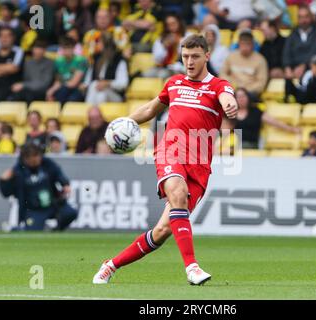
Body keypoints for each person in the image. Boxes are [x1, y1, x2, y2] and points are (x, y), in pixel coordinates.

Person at [92, 34, 239, 286]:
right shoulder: (174, 83)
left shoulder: (218, 86)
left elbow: (228, 97)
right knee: (178, 194)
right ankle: (192, 268)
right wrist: (124, 123)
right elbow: (151, 110)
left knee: (162, 231)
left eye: (194, 56)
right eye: (185, 57)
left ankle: (111, 265)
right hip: (171, 150)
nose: (189, 62)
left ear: (207, 55)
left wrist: (230, 105)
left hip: (200, 163)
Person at [0, 142, 78, 231]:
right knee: (32, 231)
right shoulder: (18, 171)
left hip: (53, 204)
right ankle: (15, 229)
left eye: (38, 155)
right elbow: (6, 193)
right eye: (34, 157)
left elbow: (58, 173)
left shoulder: (46, 163)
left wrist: (65, 184)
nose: (38, 159)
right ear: (26, 159)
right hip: (33, 210)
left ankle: (57, 231)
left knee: (70, 213)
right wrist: (3, 181)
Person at [234, 87, 301, 149]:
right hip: (235, 145)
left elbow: (274, 122)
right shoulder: (231, 113)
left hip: (252, 144)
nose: (241, 99)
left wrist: (291, 129)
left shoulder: (255, 111)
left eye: (243, 96)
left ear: (248, 97)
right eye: (238, 97)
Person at [220, 30, 268, 101]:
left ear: (252, 45)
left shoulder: (260, 59)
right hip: (232, 90)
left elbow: (261, 82)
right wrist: (232, 85)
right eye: (242, 44)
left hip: (250, 93)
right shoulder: (231, 56)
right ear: (238, 44)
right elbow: (222, 74)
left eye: (248, 44)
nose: (245, 47)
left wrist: (244, 90)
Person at [84, 33, 129, 105]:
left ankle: (94, 113)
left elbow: (123, 84)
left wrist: (107, 83)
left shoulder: (119, 60)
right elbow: (88, 79)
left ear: (106, 44)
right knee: (94, 85)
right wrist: (85, 85)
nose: (97, 44)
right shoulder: (96, 57)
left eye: (99, 42)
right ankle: (90, 112)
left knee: (102, 93)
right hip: (96, 90)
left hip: (115, 95)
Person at [282, 4, 316, 80]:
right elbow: (286, 52)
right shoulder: (293, 33)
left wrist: (304, 65)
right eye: (301, 17)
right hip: (294, 69)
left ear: (311, 17)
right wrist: (287, 68)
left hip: (312, 67)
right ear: (297, 19)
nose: (303, 20)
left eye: (306, 16)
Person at [143, 13, 189, 79]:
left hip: (180, 68)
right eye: (168, 25)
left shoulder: (188, 36)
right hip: (162, 67)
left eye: (173, 23)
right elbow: (157, 59)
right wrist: (165, 47)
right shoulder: (160, 40)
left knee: (162, 75)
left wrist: (177, 44)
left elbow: (188, 56)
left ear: (179, 23)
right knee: (146, 74)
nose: (171, 27)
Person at [9, 39, 55, 104]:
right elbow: (26, 79)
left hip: (42, 91)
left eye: (40, 49)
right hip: (27, 90)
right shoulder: (28, 63)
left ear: (44, 50)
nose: (38, 51)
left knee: (27, 95)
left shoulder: (50, 63)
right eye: (36, 48)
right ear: (32, 49)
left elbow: (44, 84)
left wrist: (24, 85)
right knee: (13, 95)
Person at [46, 36, 88, 104]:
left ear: (73, 48)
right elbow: (58, 80)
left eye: (68, 48)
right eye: (64, 48)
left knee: (69, 99)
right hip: (63, 88)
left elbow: (73, 83)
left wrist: (57, 87)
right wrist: (51, 90)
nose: (66, 51)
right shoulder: (58, 61)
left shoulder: (81, 60)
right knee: (51, 96)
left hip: (77, 89)